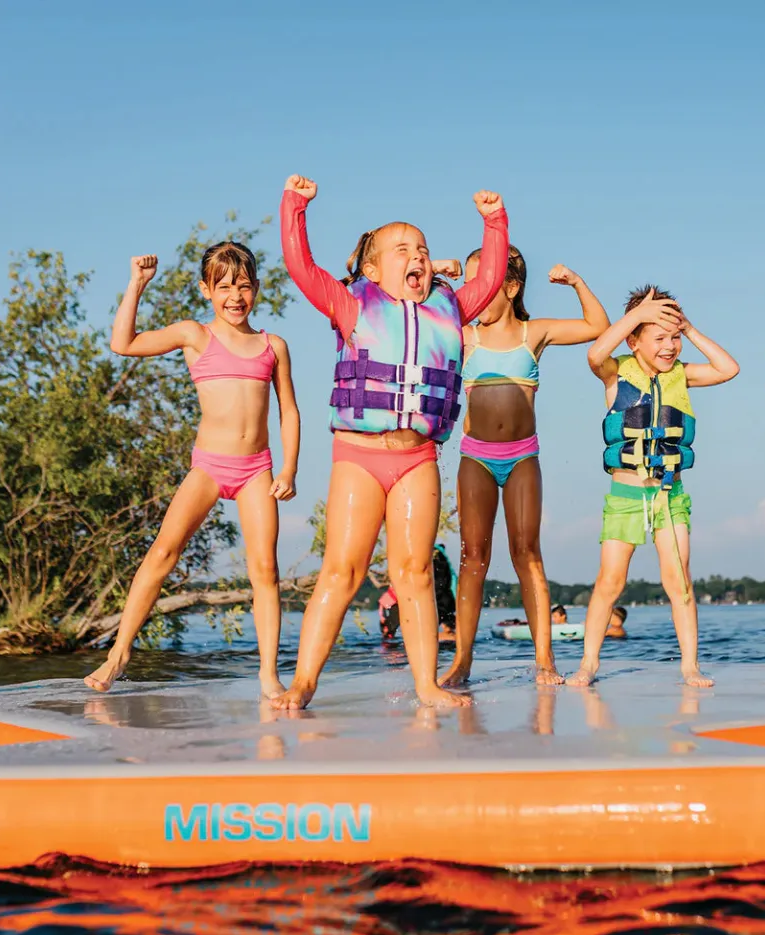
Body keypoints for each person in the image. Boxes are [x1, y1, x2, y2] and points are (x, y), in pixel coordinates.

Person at [273, 175, 508, 710]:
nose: (416, 255)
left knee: (416, 573)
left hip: (417, 458)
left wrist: (494, 222)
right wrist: (295, 206)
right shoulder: (351, 305)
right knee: (342, 571)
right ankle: (304, 681)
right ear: (374, 269)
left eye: (422, 248)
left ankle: (426, 684)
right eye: (402, 248)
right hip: (359, 457)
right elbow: (301, 267)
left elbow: (490, 278)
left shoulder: (451, 308)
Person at [85, 247, 300, 698]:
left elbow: (289, 410)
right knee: (163, 552)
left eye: (244, 286)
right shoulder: (194, 335)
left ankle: (268, 674)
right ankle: (118, 653)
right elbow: (123, 344)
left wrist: (290, 467)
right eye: (224, 287)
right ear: (206, 290)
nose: (235, 296)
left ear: (257, 289)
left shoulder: (273, 345)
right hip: (209, 466)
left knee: (265, 569)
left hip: (256, 470)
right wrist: (137, 284)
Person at [437, 248, 610, 688]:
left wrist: (576, 282)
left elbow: (597, 326)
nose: (473, 293)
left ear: (511, 288)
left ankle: (545, 660)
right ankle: (462, 660)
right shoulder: (464, 335)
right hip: (476, 457)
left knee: (526, 552)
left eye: (484, 283)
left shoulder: (535, 333)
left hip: (521, 457)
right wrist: (437, 272)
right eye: (469, 284)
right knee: (472, 557)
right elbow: (415, 315)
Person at [568, 286, 739, 688]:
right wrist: (636, 315)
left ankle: (690, 666)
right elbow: (594, 354)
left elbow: (728, 368)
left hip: (669, 495)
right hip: (626, 496)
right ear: (634, 340)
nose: (670, 346)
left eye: (674, 337)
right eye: (659, 337)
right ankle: (588, 663)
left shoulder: (682, 374)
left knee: (679, 582)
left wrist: (690, 328)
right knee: (610, 582)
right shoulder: (616, 371)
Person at [379, 544, 457, 642]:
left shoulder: (431, 558)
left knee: (423, 634)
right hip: (445, 598)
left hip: (437, 598)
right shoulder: (440, 558)